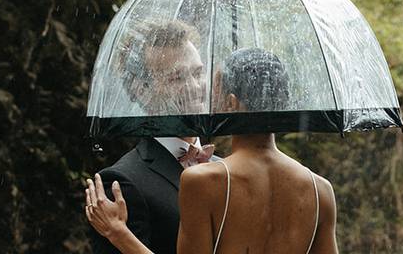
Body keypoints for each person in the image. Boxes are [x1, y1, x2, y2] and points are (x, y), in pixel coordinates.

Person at [86, 47, 338, 254]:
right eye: (178, 77)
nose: (199, 89)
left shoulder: (204, 180)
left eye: (202, 76)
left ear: (230, 103)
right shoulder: (321, 190)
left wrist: (119, 234)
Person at [89, 18, 218, 254]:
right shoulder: (121, 182)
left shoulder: (229, 169)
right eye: (177, 78)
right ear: (142, 91)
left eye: (198, 73)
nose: (194, 87)